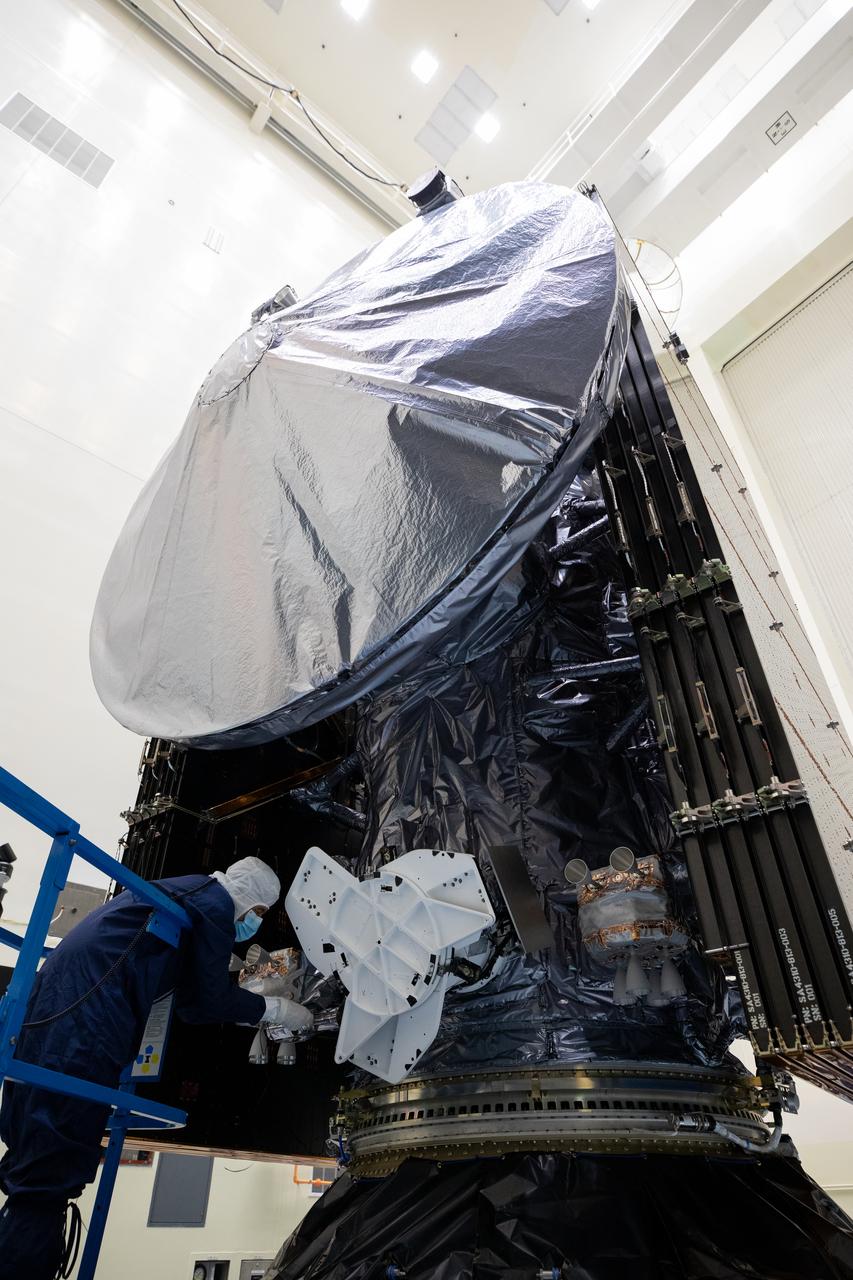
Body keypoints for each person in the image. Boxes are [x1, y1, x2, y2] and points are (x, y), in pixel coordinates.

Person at [0, 855, 311, 1280]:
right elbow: (204, 1002)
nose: (253, 925)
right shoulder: (217, 903)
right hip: (86, 1019)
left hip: (53, 1008)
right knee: (50, 1166)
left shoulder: (189, 893)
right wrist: (275, 1009)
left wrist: (249, 980)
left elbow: (195, 993)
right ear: (249, 899)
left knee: (36, 1157)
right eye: (258, 915)